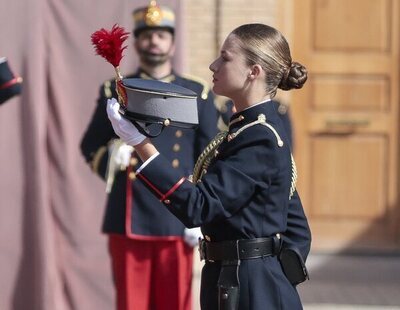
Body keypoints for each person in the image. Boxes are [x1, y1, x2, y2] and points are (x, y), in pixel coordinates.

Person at [106, 23, 312, 310]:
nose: (214, 65)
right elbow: (297, 227)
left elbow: (198, 207)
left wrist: (141, 143)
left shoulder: (259, 138)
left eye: (226, 58)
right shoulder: (247, 131)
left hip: (251, 287)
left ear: (254, 71)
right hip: (240, 278)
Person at [80, 2, 219, 310]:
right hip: (130, 216)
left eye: (162, 35)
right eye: (146, 35)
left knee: (174, 303)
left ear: (171, 42)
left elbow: (209, 155)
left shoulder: (197, 91)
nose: (154, 41)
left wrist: (201, 216)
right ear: (137, 42)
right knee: (132, 303)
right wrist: (112, 156)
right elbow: (89, 145)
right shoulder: (115, 88)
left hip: (179, 214)